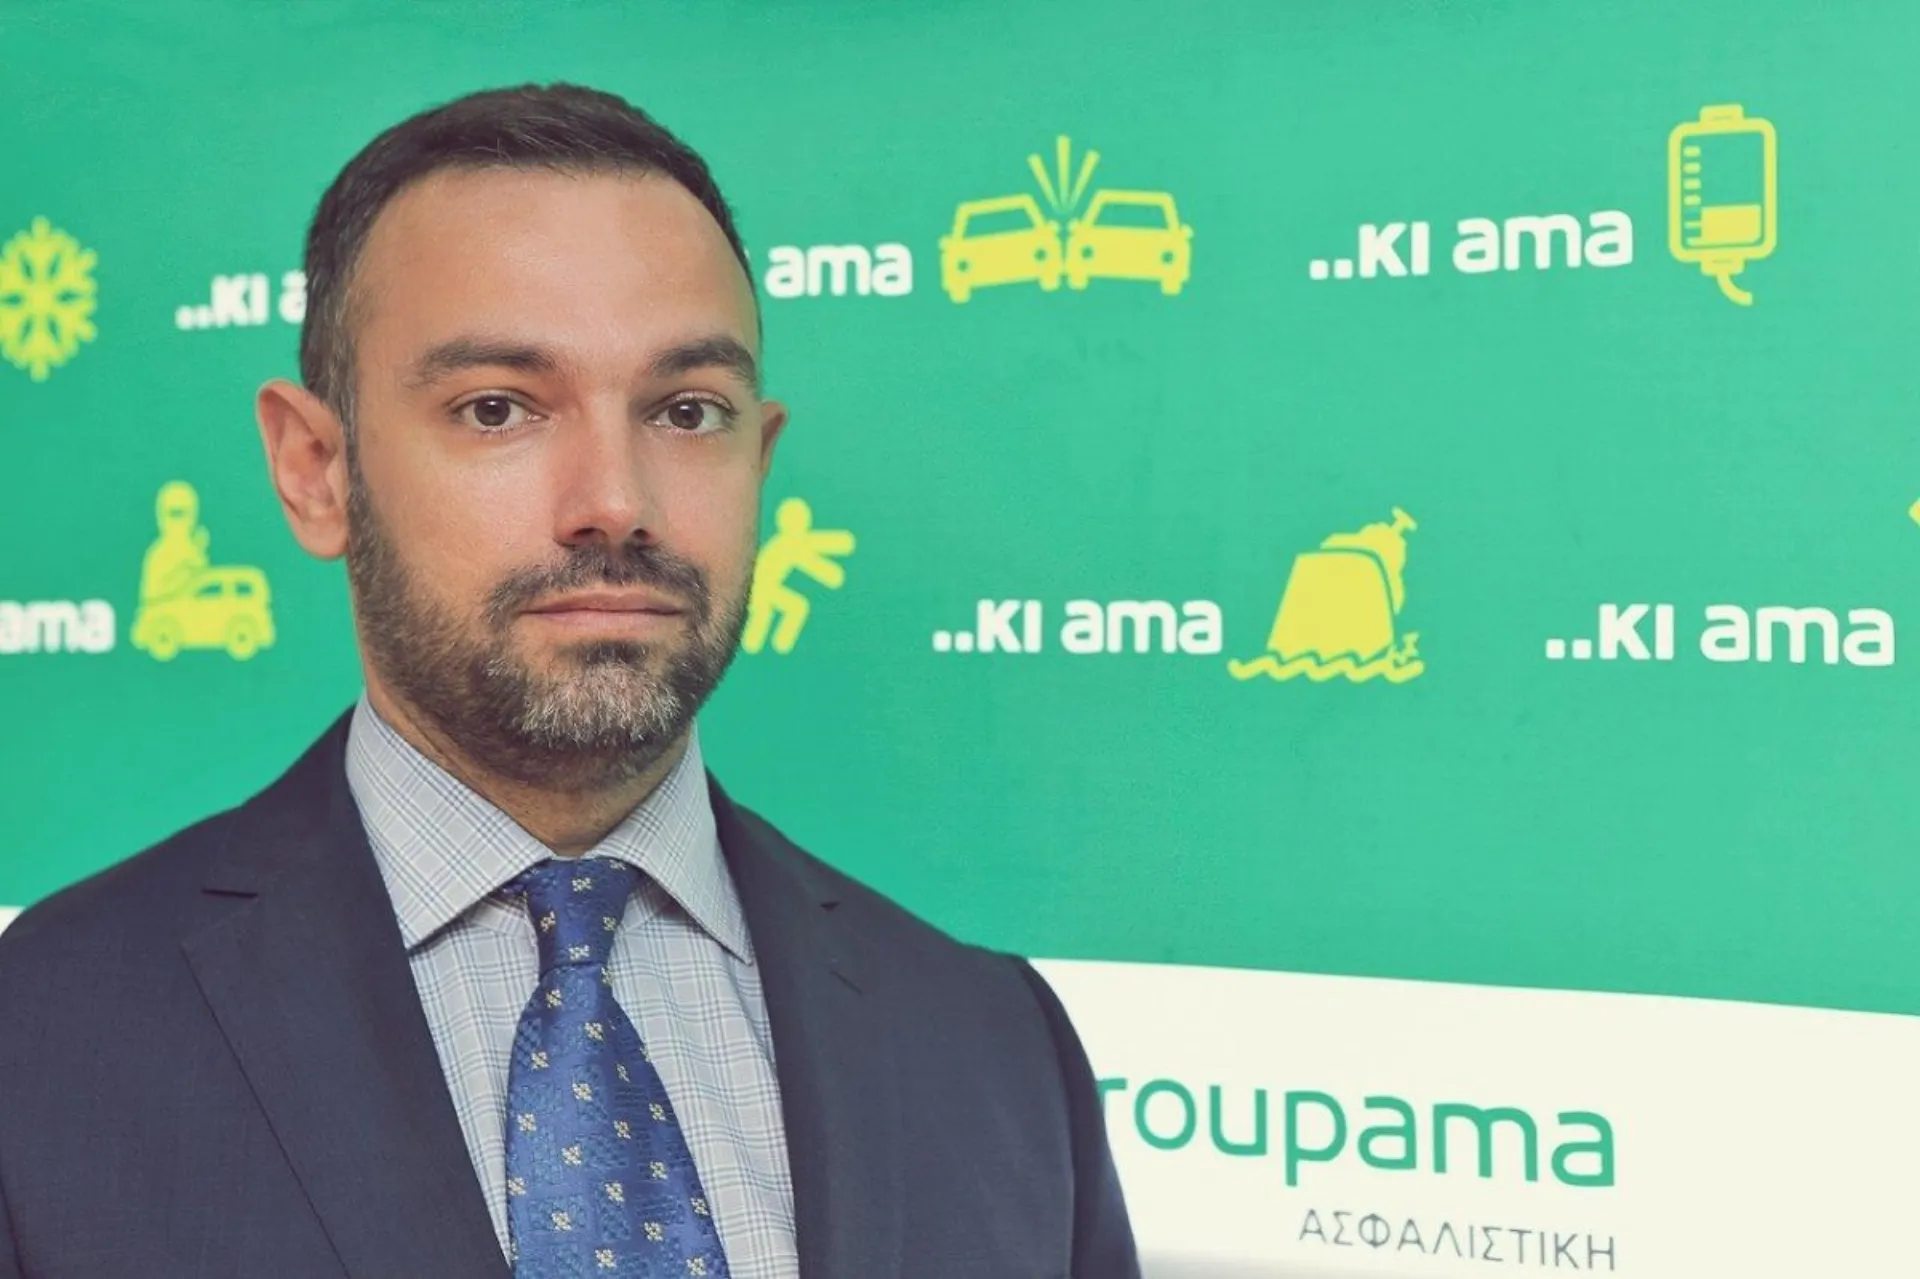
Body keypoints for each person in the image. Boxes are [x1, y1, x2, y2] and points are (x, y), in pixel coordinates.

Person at [0, 84, 1140, 1279]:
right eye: (498, 409)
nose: (617, 501)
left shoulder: (999, 1050)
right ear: (317, 469)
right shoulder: (41, 1039)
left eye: (687, 411)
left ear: (760, 459)